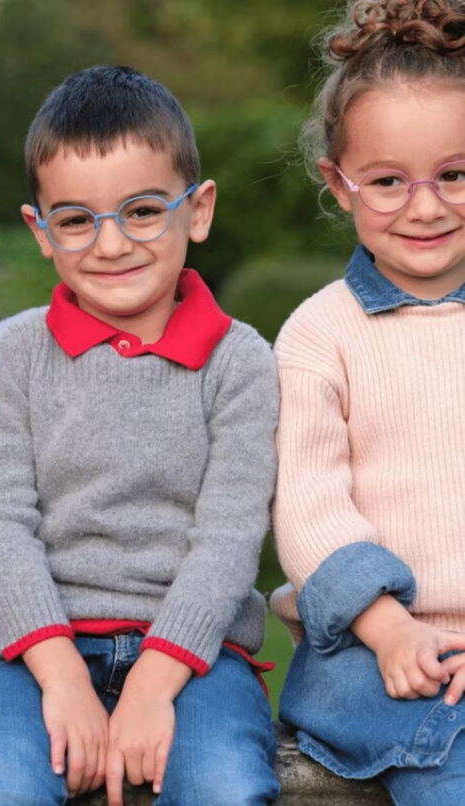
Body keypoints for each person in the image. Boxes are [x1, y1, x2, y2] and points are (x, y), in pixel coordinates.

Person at [0, 65, 280, 805]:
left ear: (198, 210)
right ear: (41, 230)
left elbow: (228, 537)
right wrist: (61, 676)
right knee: (4, 787)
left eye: (143, 210)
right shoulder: (11, 355)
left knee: (223, 786)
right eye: (76, 219)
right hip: (28, 654)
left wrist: (155, 683)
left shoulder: (240, 361)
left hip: (197, 656)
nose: (111, 242)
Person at [271, 1, 465, 803]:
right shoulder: (320, 334)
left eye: (455, 174)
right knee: (446, 760)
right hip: (371, 645)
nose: (425, 207)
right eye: (388, 182)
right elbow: (311, 510)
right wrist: (390, 629)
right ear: (339, 184)